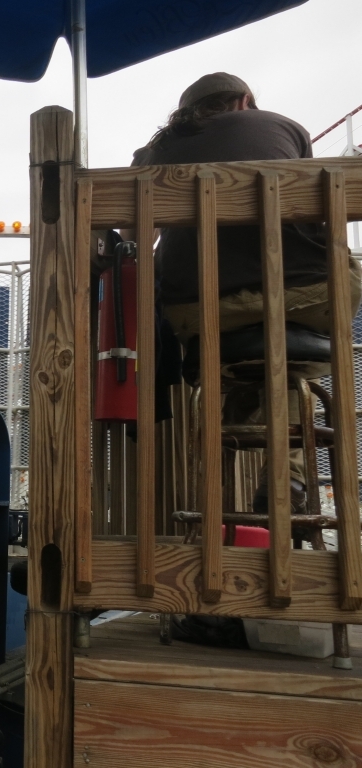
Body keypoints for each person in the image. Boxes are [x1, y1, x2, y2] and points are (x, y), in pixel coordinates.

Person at [130, 72, 362, 514]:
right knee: (332, 286)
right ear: (244, 101)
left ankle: (223, 491)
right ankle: (290, 483)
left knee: (264, 359)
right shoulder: (284, 127)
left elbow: (132, 237)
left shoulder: (155, 151)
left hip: (197, 311)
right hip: (303, 295)